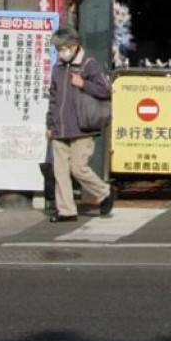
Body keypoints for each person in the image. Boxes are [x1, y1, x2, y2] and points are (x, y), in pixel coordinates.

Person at [46, 27, 113, 223]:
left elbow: (105, 90)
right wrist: (49, 124)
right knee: (59, 171)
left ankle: (104, 193)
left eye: (63, 48)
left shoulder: (88, 65)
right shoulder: (57, 69)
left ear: (74, 47)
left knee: (78, 168)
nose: (61, 52)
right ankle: (66, 210)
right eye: (58, 49)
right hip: (60, 128)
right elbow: (53, 98)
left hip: (82, 127)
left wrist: (83, 83)